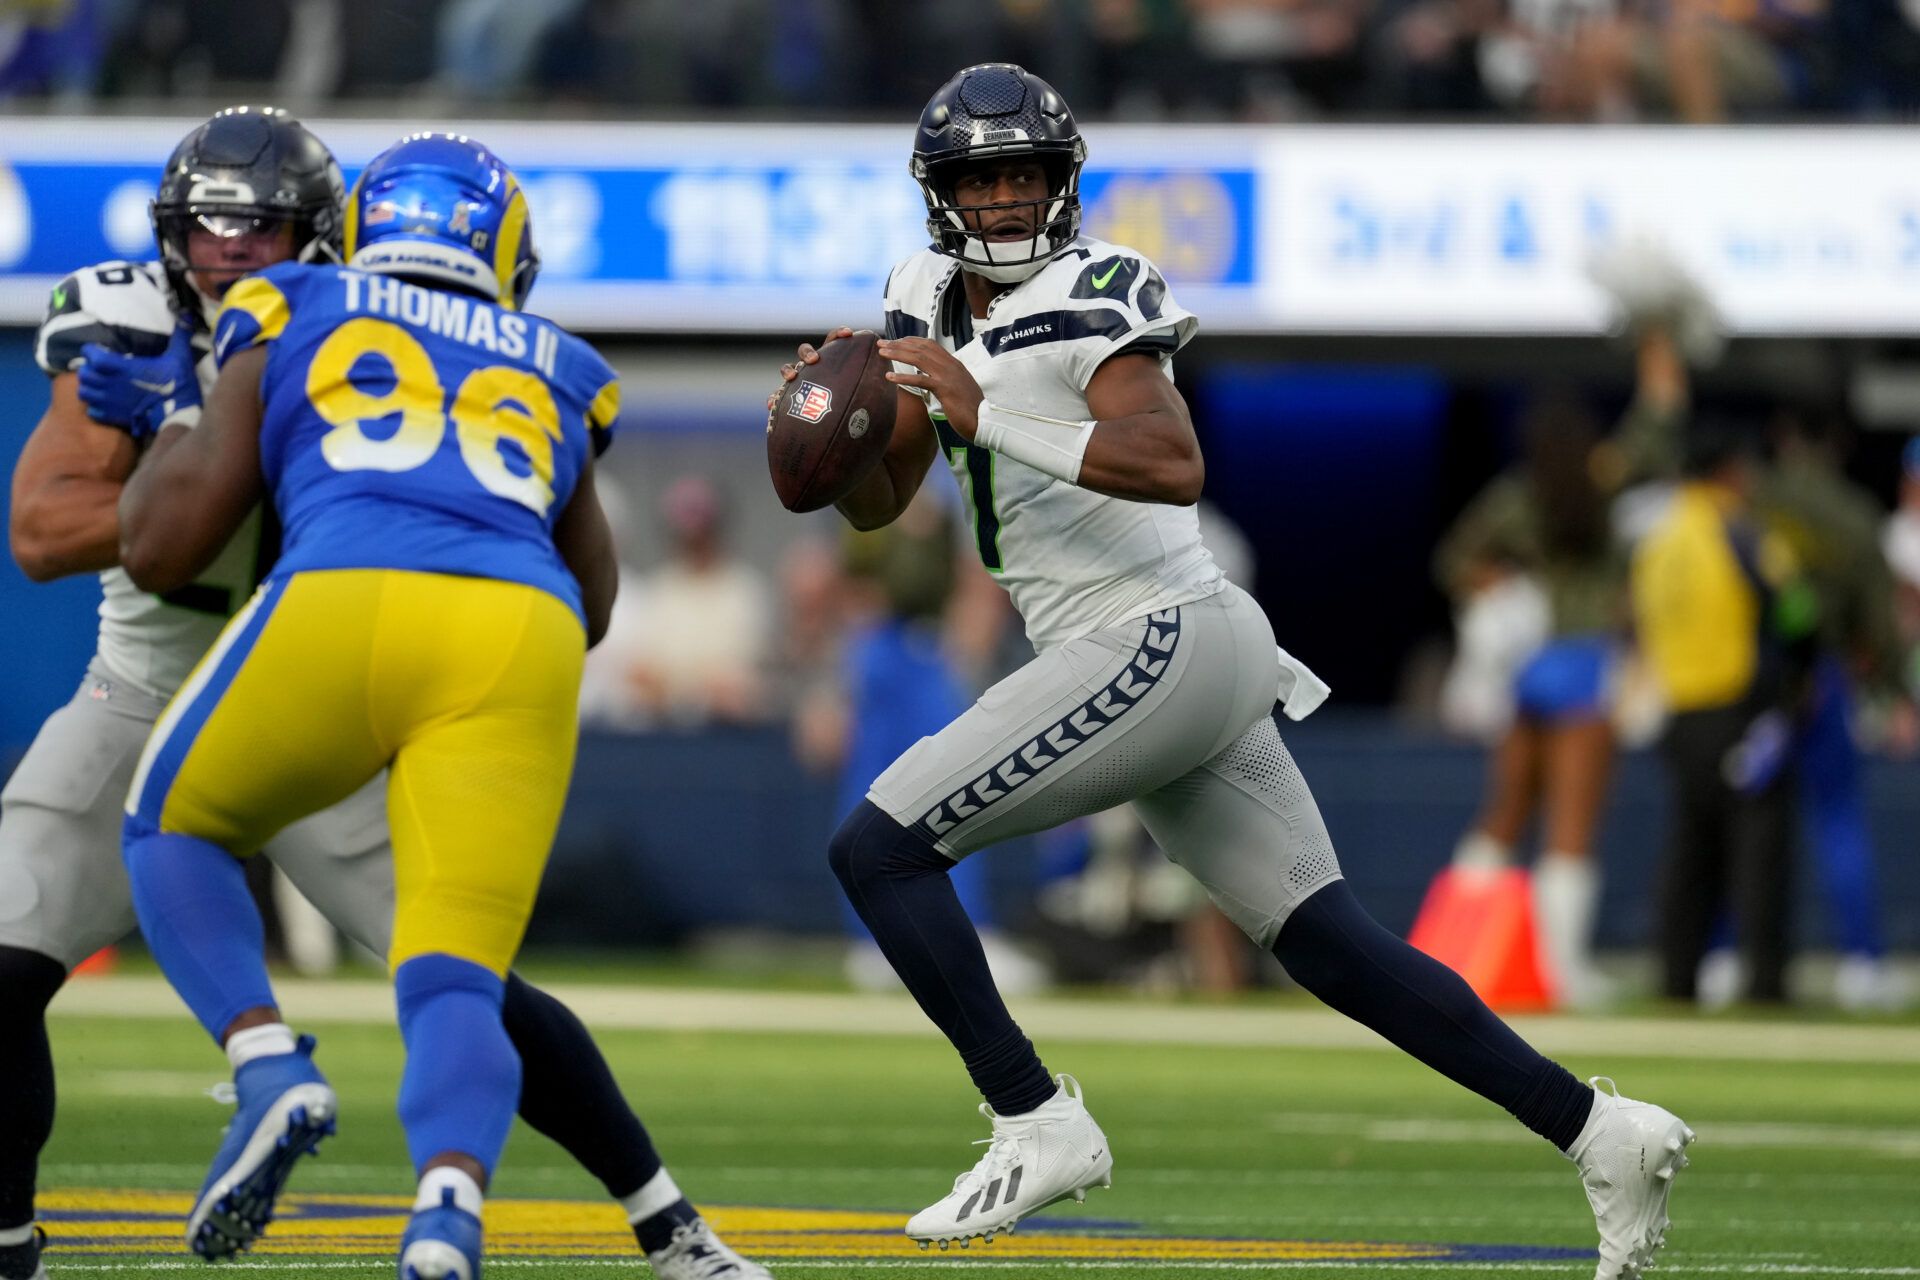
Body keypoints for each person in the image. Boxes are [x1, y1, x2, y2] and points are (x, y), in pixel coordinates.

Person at [773, 62, 1693, 1280]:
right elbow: (886, 503)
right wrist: (842, 427)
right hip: (1145, 651)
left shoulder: (1097, 286)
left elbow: (1171, 459)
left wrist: (986, 408)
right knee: (1331, 944)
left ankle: (1036, 1115)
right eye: (978, 179)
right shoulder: (915, 293)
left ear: (1062, 182)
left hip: (1159, 628)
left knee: (877, 846)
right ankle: (1601, 1130)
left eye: (1022, 175)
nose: (1001, 200)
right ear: (939, 196)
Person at [90, 130, 764, 1280]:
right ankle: (448, 1207)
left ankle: (268, 1063)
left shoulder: (294, 296)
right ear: (502, 249)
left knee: (174, 827)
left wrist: (175, 427)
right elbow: (597, 598)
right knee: (454, 970)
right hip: (520, 636)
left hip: (351, 587)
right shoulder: (554, 357)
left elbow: (162, 549)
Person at [1630, 417, 1815, 1004]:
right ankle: (1764, 987)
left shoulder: (1655, 541)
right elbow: (1798, 609)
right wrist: (1801, 675)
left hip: (1680, 710)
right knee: (1758, 855)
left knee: (1690, 851)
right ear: (1732, 470)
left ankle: (1676, 980)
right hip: (1743, 708)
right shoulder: (1744, 533)